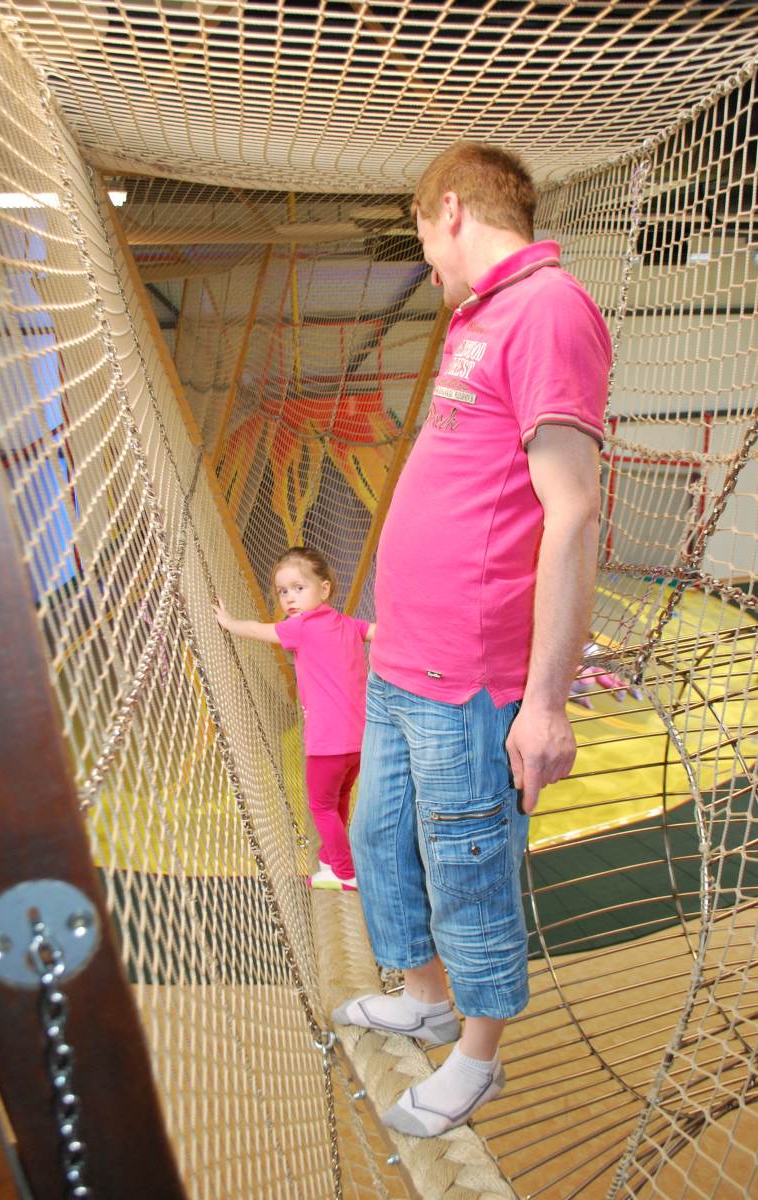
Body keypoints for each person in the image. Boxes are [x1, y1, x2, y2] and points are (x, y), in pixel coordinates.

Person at [333, 142, 612, 1137]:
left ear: (448, 209)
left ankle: (477, 1056)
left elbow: (571, 510)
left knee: (465, 866)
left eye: (420, 235)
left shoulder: (546, 309)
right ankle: (424, 998)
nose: (426, 259)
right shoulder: (479, 316)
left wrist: (543, 703)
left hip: (468, 680)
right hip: (402, 659)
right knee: (378, 839)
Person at [214, 546, 374, 890]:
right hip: (359, 740)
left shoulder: (300, 627)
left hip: (327, 742)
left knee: (321, 806)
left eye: (299, 588)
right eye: (283, 591)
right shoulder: (349, 624)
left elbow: (258, 630)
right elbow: (379, 632)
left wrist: (228, 623)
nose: (289, 598)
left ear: (324, 589)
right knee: (339, 798)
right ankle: (331, 858)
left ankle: (345, 872)